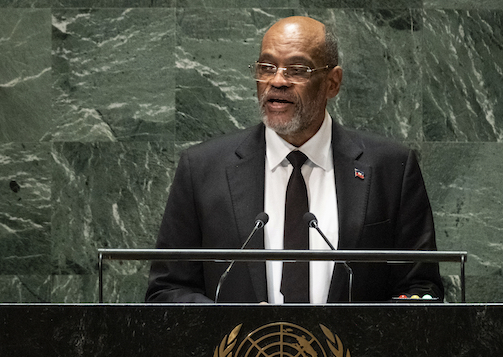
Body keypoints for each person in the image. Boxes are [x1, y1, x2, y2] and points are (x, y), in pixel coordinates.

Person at [145, 16, 443, 303]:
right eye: (267, 67)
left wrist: (360, 335)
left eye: (297, 69)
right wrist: (230, 325)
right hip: (239, 353)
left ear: (332, 83)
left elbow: (421, 289)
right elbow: (168, 290)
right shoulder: (202, 169)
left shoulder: (391, 168)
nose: (277, 81)